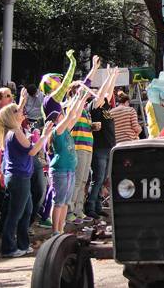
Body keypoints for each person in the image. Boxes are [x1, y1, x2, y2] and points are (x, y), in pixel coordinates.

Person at [0, 103, 51, 258]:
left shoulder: (12, 132)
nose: (21, 112)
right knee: (15, 214)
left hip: (19, 177)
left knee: (26, 211)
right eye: (17, 110)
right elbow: (33, 151)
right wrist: (44, 135)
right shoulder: (15, 132)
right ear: (11, 116)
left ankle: (23, 244)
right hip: (19, 177)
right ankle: (8, 248)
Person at [46, 91, 89, 238]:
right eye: (60, 115)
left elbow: (75, 116)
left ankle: (61, 229)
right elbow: (71, 115)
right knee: (58, 201)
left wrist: (82, 100)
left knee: (65, 202)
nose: (63, 116)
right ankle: (55, 231)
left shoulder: (66, 131)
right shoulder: (58, 131)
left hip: (70, 170)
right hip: (60, 170)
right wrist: (77, 98)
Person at [66, 56, 101, 225]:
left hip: (88, 147)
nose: (88, 92)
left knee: (83, 180)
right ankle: (70, 211)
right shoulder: (72, 105)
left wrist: (92, 126)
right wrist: (93, 69)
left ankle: (79, 211)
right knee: (78, 179)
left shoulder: (85, 111)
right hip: (78, 146)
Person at [84, 66, 120, 221]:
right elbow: (101, 93)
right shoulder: (93, 108)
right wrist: (107, 77)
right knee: (97, 179)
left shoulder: (105, 107)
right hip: (99, 148)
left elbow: (108, 93)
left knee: (102, 178)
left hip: (108, 148)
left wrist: (113, 77)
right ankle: (90, 206)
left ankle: (98, 207)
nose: (105, 97)